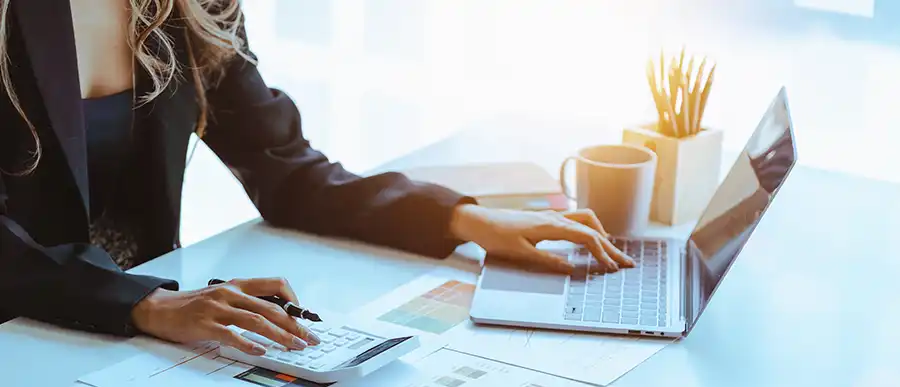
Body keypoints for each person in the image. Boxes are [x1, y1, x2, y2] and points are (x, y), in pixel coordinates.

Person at [0, 0, 633, 356]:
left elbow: (283, 167)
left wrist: (462, 218)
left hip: (132, 346)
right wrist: (146, 301)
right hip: (38, 336)